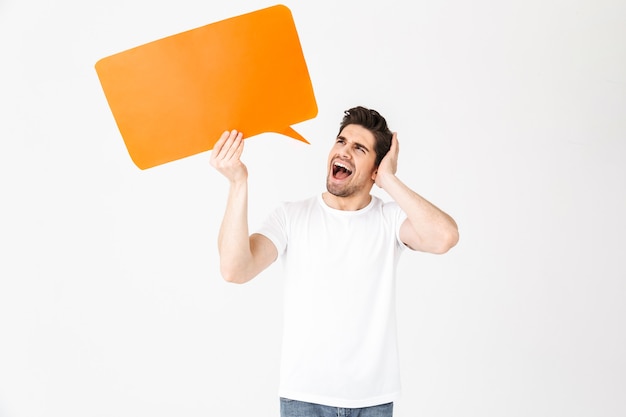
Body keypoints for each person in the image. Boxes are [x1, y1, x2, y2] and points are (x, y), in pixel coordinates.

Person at [209, 106, 459, 417]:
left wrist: (389, 180)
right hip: (303, 398)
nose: (344, 151)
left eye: (359, 148)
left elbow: (444, 237)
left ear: (375, 169)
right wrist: (238, 183)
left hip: (373, 401)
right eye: (341, 141)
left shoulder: (389, 219)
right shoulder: (291, 216)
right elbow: (235, 269)